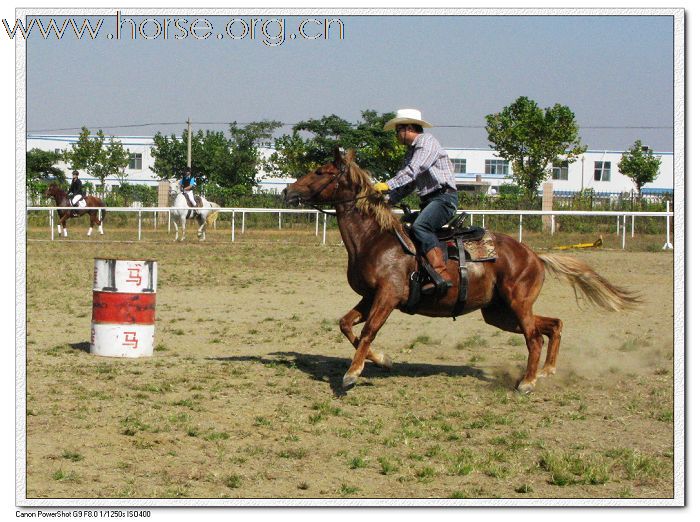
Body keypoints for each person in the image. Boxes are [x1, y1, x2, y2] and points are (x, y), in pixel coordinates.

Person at [374, 109, 458, 294]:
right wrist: (387, 200)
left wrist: (386, 185)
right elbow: (408, 185)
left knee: (421, 227)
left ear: (409, 128)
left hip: (444, 199)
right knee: (405, 228)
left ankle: (442, 274)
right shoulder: (411, 152)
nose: (396, 135)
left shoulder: (427, 143)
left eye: (398, 130)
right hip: (430, 201)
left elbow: (414, 170)